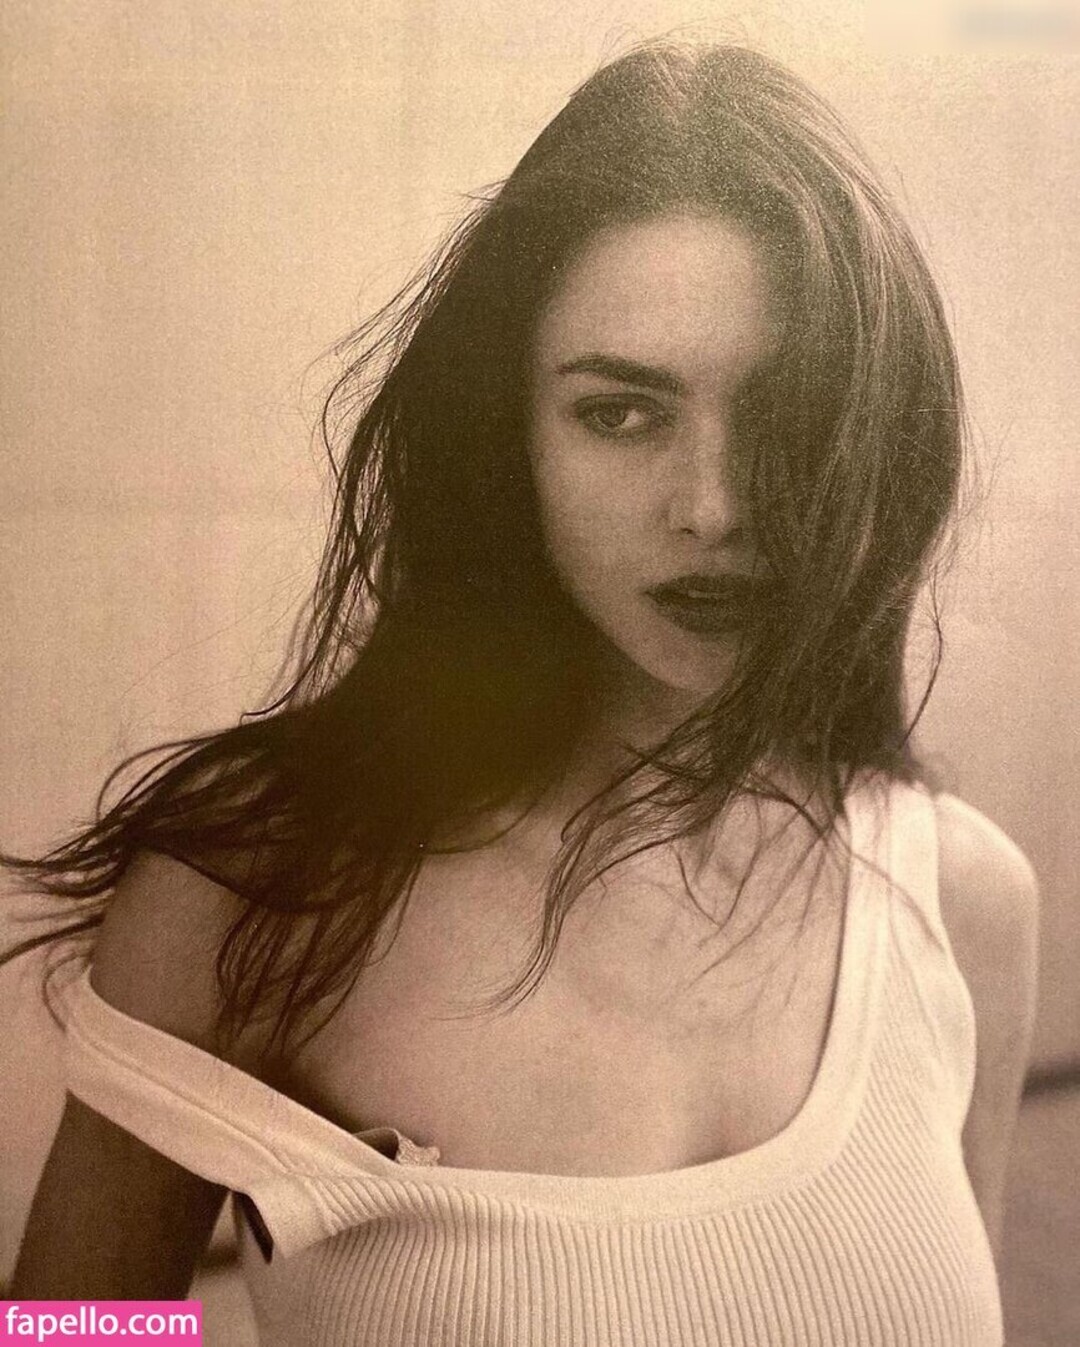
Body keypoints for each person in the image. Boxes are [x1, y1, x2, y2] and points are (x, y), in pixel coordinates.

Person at [6, 40, 1038, 1346]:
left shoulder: (962, 903)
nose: (714, 506)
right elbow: (71, 1333)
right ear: (510, 438)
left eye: (787, 416)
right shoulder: (263, 880)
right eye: (622, 415)